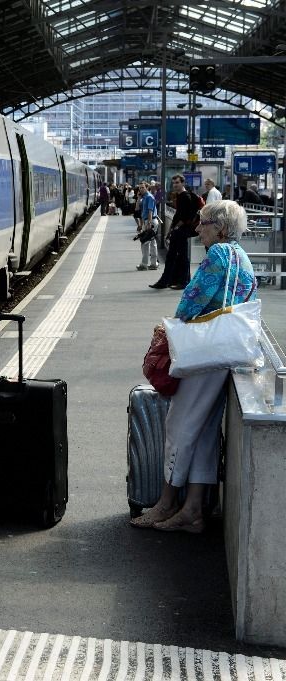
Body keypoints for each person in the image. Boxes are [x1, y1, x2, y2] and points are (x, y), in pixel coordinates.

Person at [131, 201, 257, 533]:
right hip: (226, 355)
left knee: (179, 427)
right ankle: (194, 510)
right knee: (202, 433)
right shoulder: (241, 256)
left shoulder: (217, 255)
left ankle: (166, 503)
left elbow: (192, 302)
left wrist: (175, 323)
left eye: (204, 223)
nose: (198, 229)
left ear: (222, 228)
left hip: (203, 355)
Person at [150, 175, 201, 290]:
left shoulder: (185, 196)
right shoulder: (180, 196)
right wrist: (171, 229)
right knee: (173, 256)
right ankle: (169, 280)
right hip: (179, 230)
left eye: (177, 182)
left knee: (180, 256)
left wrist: (175, 228)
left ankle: (182, 281)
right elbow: (178, 215)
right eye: (173, 183)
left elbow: (184, 216)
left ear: (183, 183)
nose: (175, 185)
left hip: (181, 231)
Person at [135, 183, 158, 271]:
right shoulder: (144, 197)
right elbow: (137, 209)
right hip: (148, 221)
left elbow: (150, 211)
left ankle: (144, 264)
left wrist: (148, 223)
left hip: (150, 221)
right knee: (152, 242)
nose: (141, 189)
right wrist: (138, 197)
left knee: (145, 243)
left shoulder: (149, 197)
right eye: (140, 188)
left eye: (143, 188)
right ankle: (153, 263)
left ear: (147, 188)